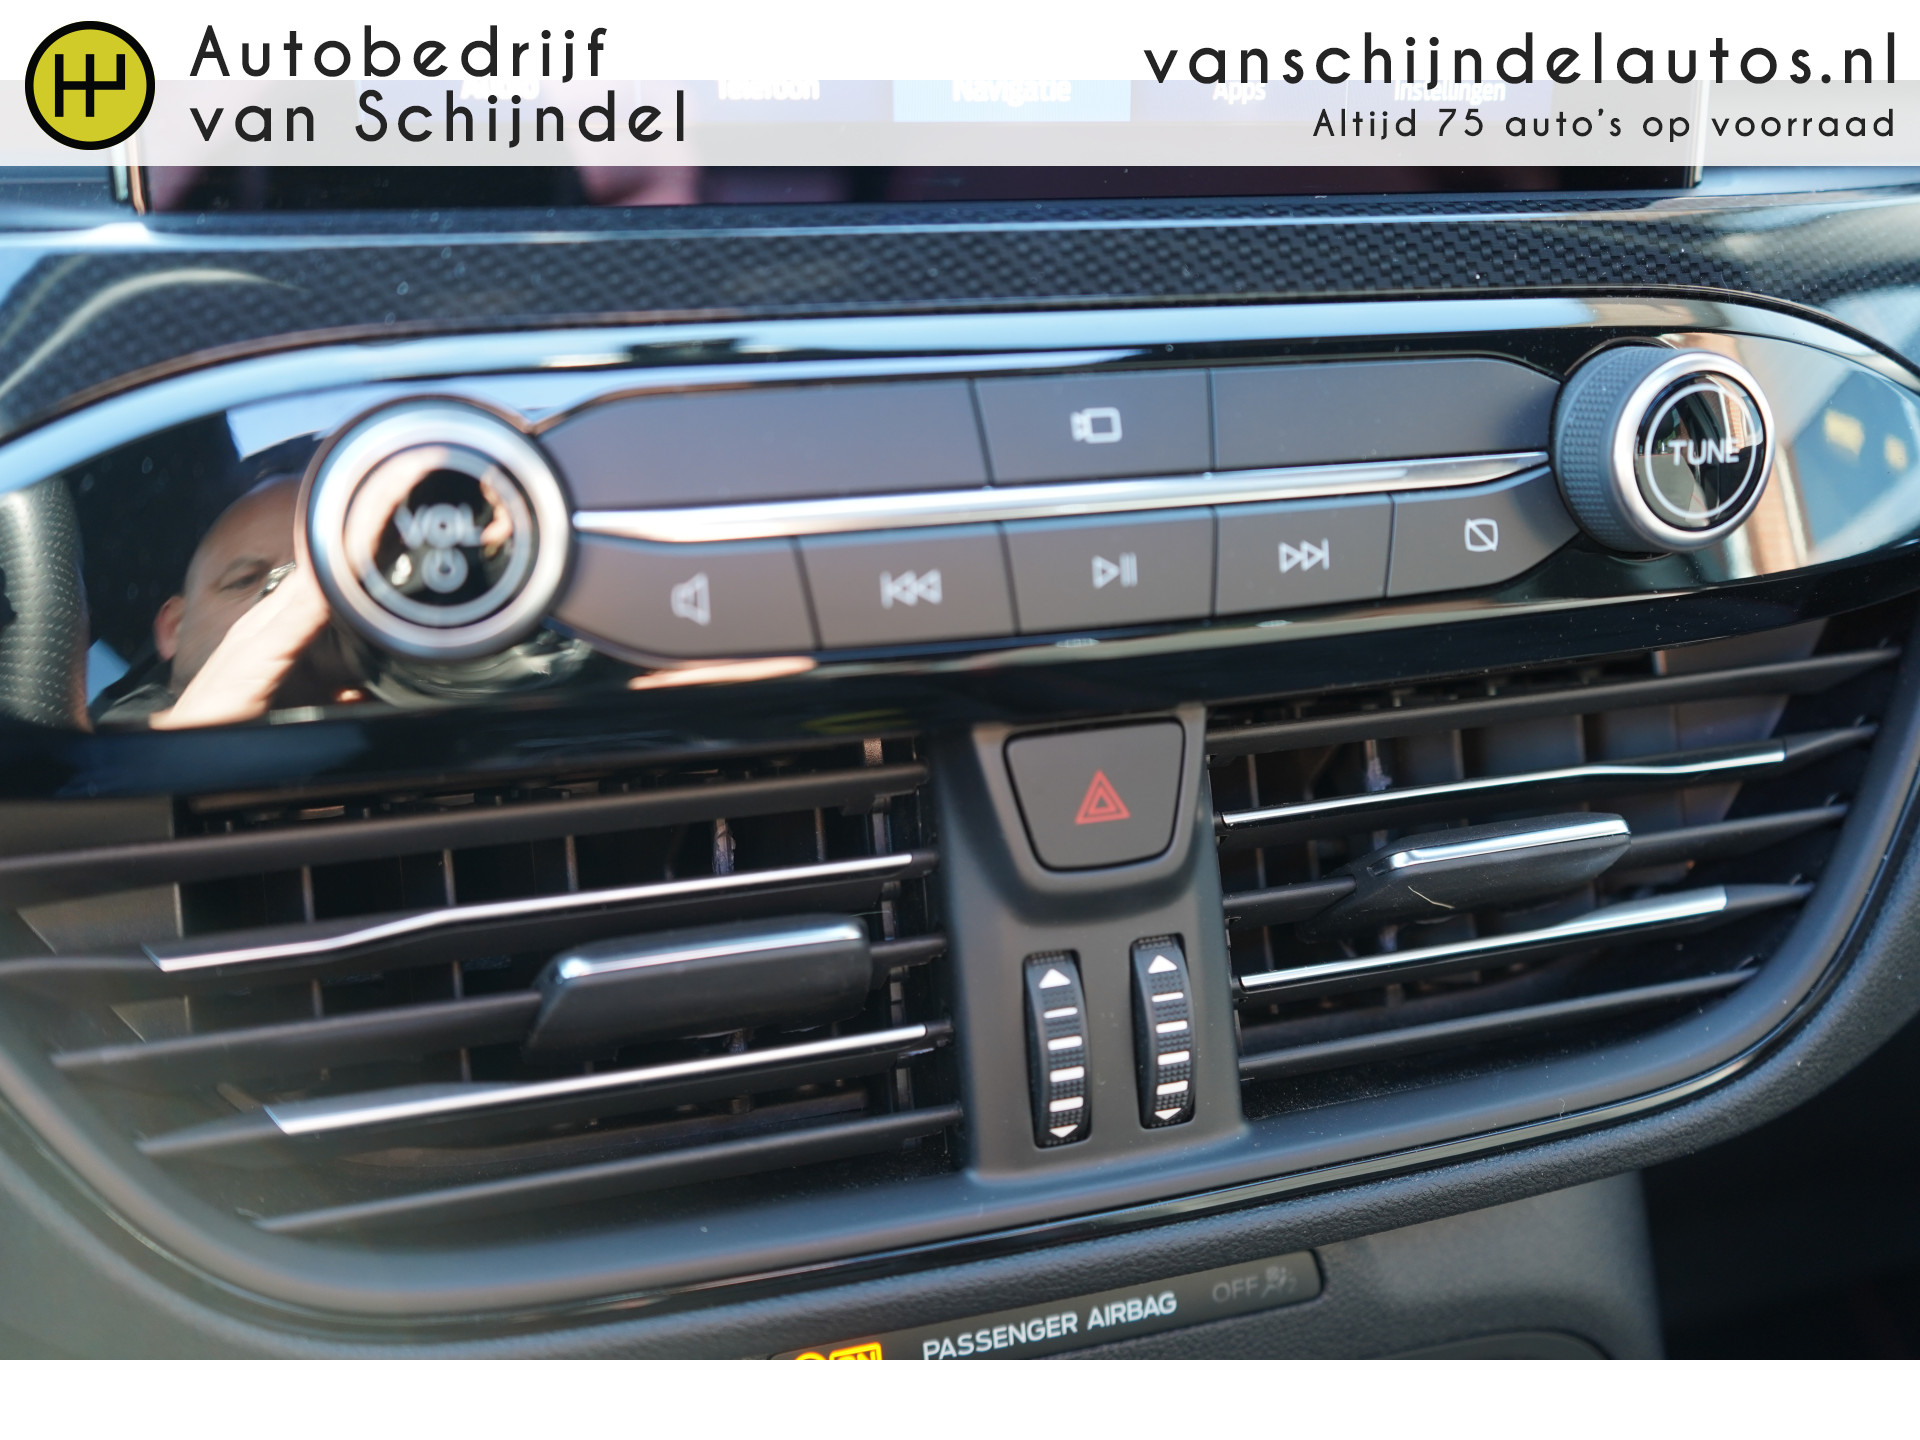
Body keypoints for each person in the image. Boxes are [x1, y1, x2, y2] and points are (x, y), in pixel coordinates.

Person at [94, 476, 333, 729]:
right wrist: (191, 725)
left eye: (325, 573)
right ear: (174, 628)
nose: (294, 594)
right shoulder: (110, 739)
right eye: (245, 580)